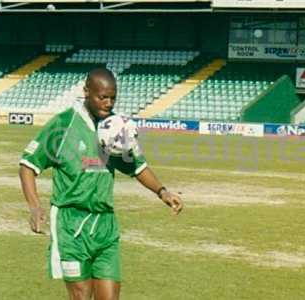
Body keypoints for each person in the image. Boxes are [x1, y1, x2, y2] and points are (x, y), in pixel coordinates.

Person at [19, 67, 183, 300]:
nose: (108, 103)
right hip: (71, 226)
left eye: (113, 97)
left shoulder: (117, 128)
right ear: (87, 92)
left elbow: (137, 166)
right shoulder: (63, 126)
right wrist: (34, 206)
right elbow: (27, 166)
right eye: (102, 97)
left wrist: (162, 191)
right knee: (81, 296)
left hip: (105, 226)